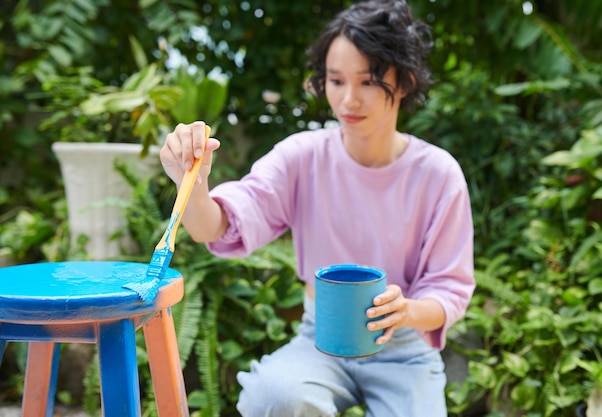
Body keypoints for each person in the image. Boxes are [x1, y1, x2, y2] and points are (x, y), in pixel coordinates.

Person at [159, 0, 475, 415]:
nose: (348, 100)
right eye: (335, 80)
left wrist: (405, 311)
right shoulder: (302, 156)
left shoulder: (438, 174)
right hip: (318, 339)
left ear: (404, 82)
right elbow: (214, 227)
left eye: (367, 82)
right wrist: (194, 185)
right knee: (272, 398)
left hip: (405, 351)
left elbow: (450, 291)